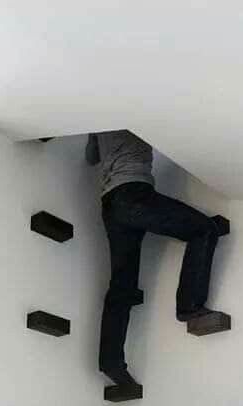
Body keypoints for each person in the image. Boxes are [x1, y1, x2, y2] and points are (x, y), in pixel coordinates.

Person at [86, 130, 229, 388]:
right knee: (204, 229)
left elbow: (91, 156)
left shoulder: (97, 119)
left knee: (122, 286)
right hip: (133, 192)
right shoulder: (136, 102)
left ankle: (111, 363)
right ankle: (190, 306)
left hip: (109, 203)